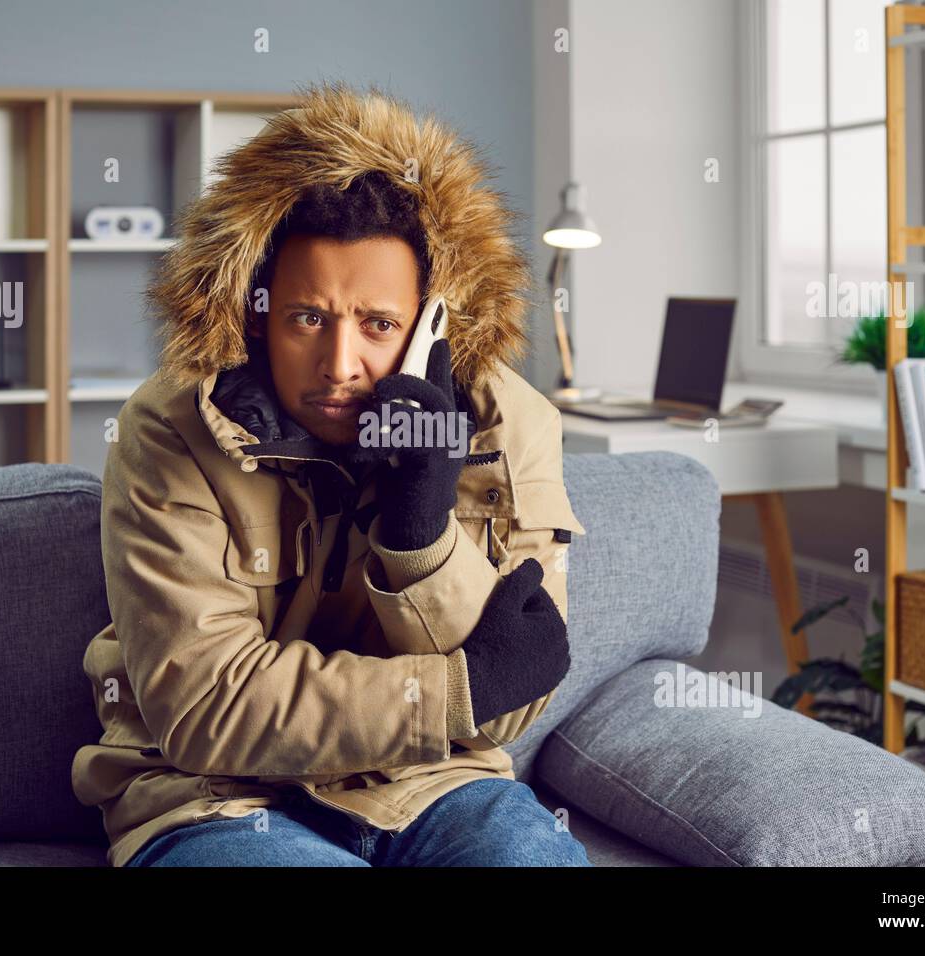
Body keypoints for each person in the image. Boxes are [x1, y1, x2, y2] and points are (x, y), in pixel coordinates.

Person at [71, 80, 589, 867]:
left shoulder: (507, 423)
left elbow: (520, 691)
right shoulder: (167, 429)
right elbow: (208, 708)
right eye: (307, 319)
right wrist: (454, 691)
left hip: (433, 782)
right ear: (255, 316)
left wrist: (420, 540)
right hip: (212, 793)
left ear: (433, 329)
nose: (340, 366)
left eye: (379, 325)